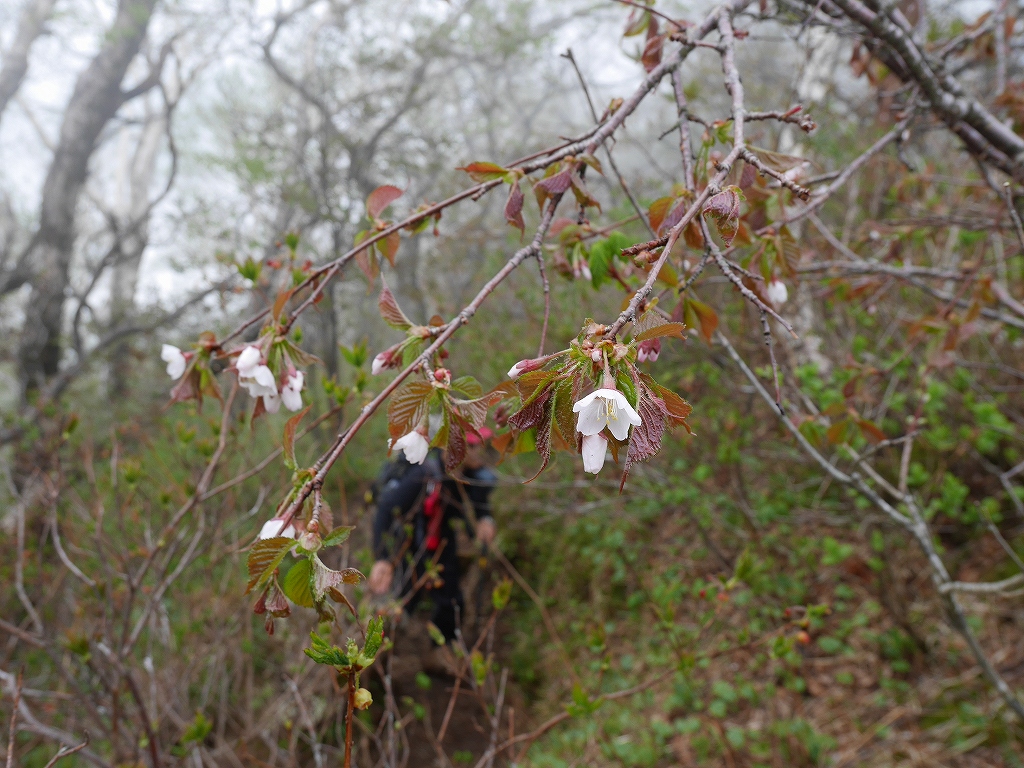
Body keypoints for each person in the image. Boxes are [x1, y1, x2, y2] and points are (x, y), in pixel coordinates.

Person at [369, 429, 497, 643]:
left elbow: (479, 504)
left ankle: (441, 649)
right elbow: (387, 507)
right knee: (404, 598)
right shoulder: (425, 473)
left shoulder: (471, 475)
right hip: (413, 543)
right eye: (472, 446)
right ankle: (383, 649)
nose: (478, 452)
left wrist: (485, 519)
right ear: (455, 446)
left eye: (480, 445)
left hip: (442, 541)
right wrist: (382, 557)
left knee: (451, 600)